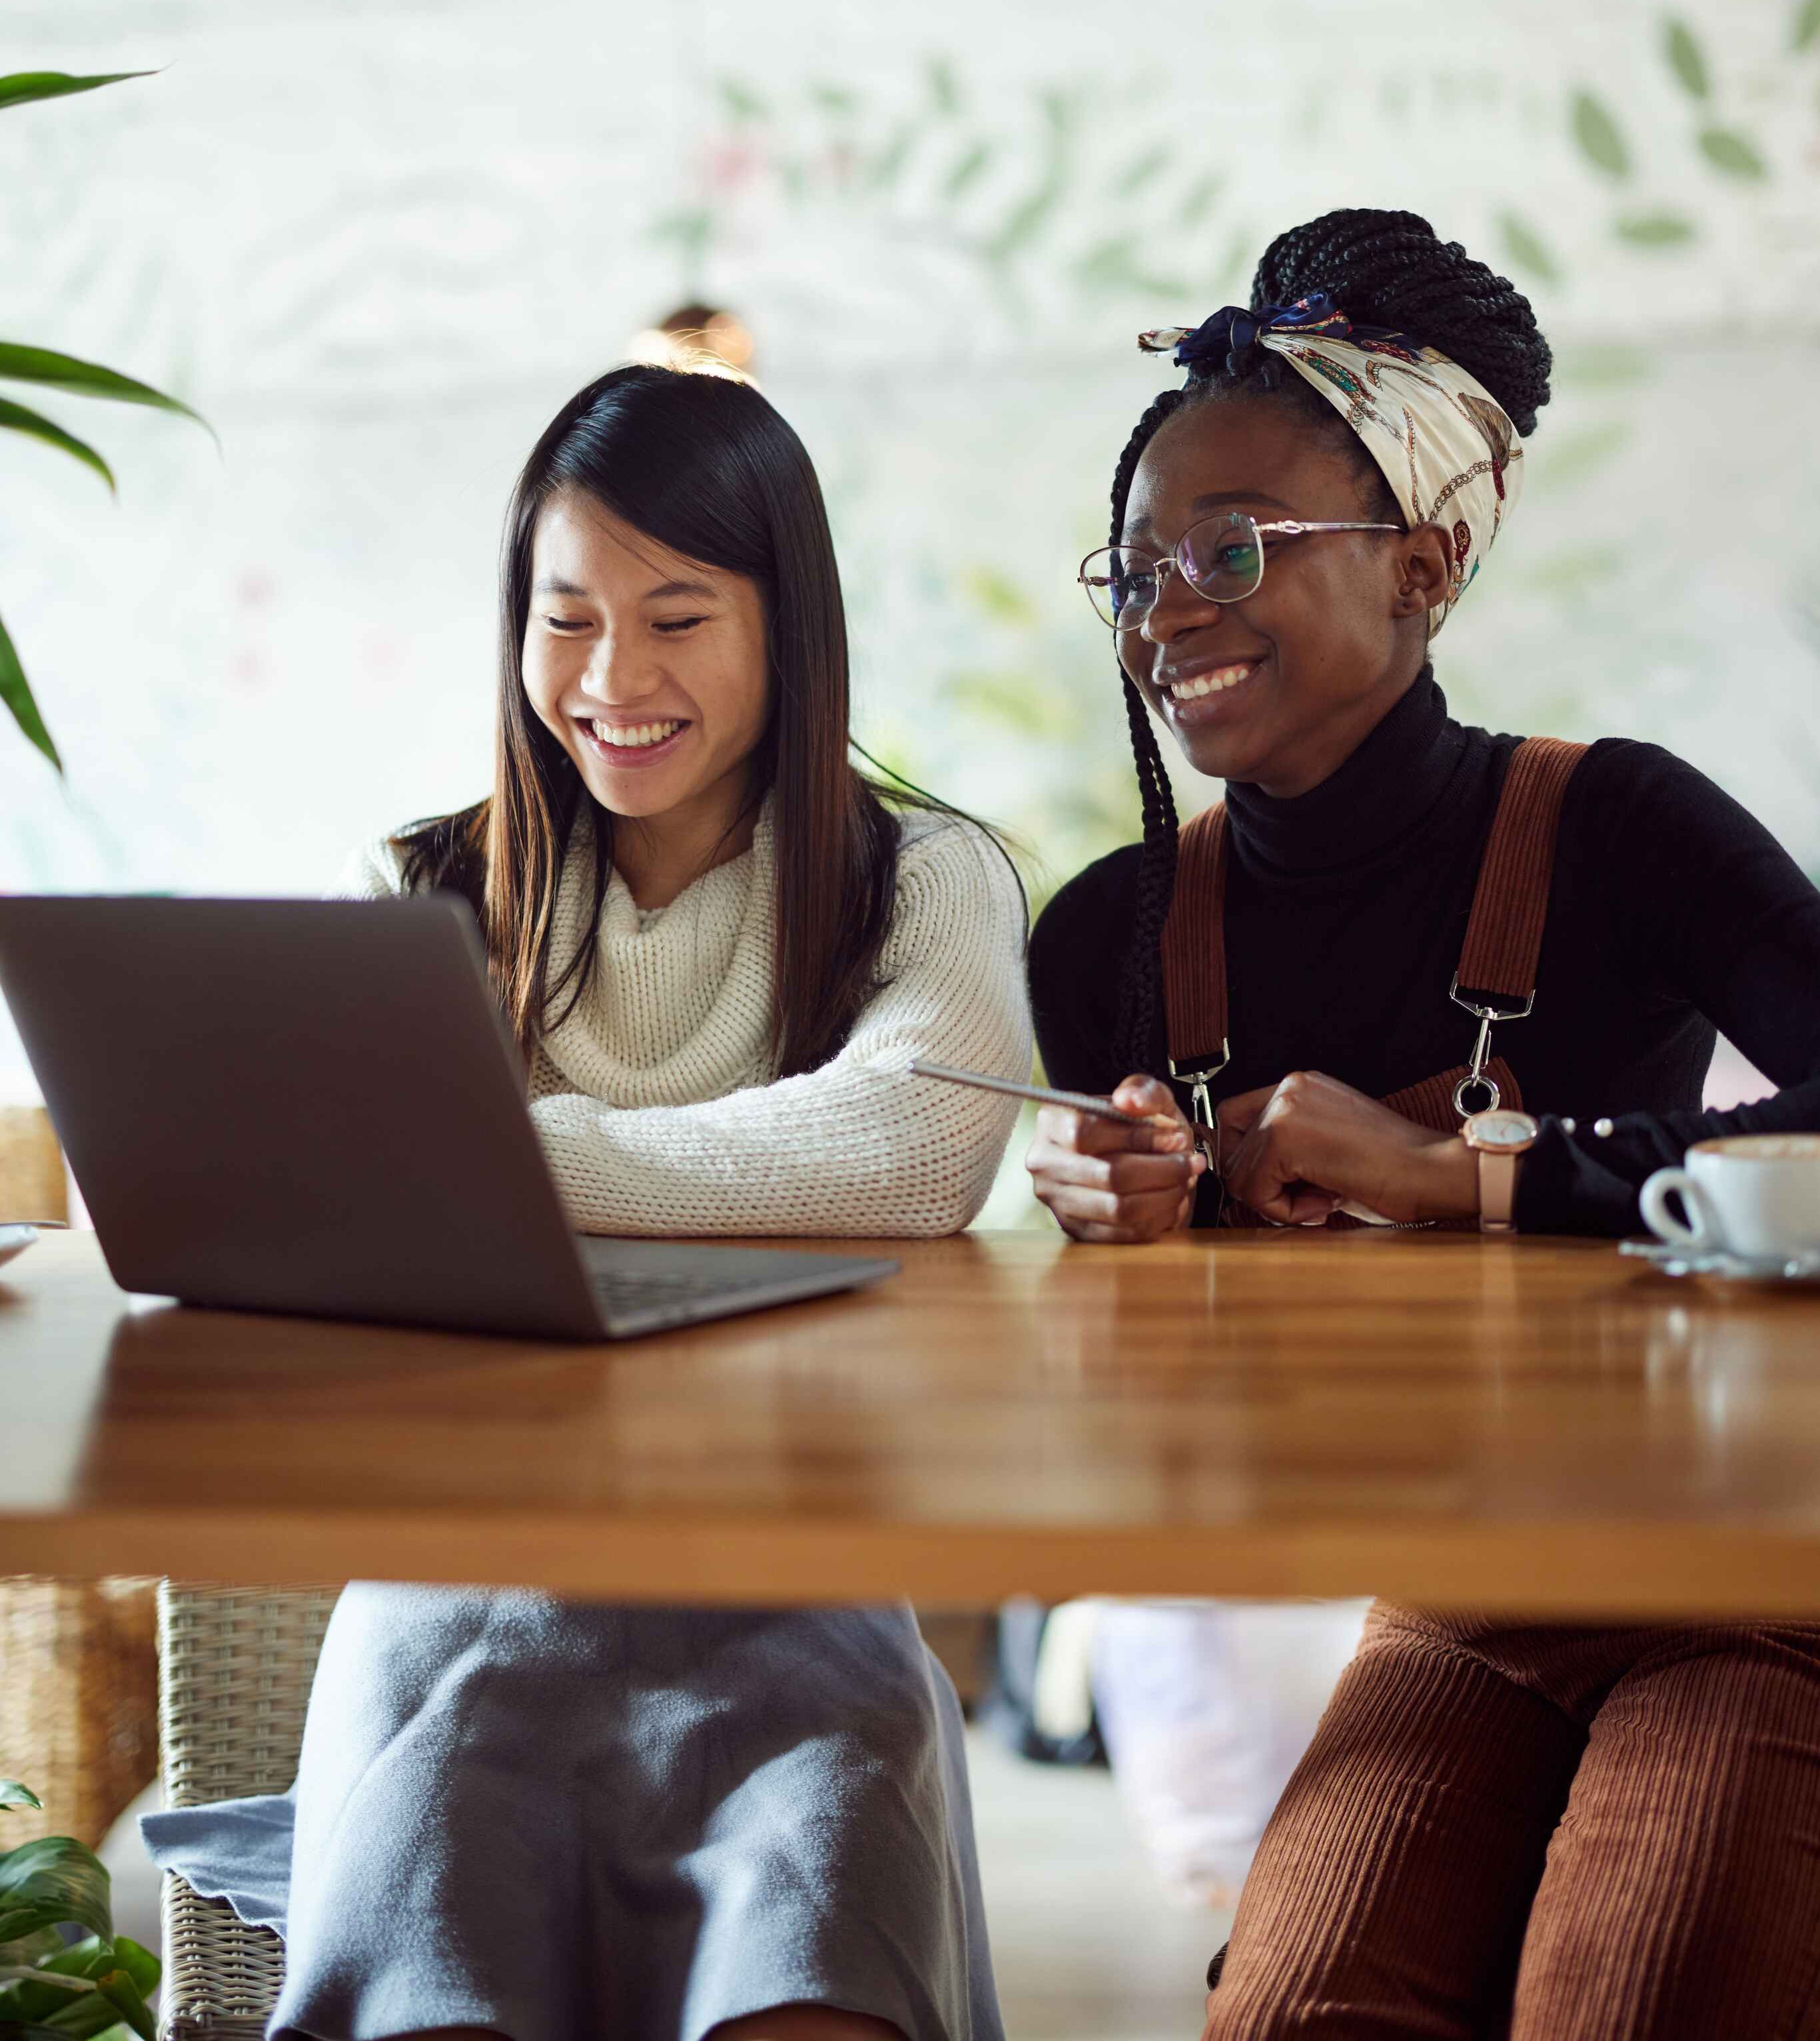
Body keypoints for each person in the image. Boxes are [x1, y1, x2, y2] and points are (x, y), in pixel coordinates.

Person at [147, 363, 1029, 2041]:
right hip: (464, 1595)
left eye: (680, 615)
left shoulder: (921, 880)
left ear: (789, 624)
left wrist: (488, 1161)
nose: (615, 678)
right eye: (567, 619)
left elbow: (915, 1152)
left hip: (800, 1593)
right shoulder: (430, 889)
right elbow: (335, 1224)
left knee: (815, 1980)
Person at [1025, 209, 1820, 2041]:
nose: (1169, 613)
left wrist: (1465, 1170)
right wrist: (1122, 1221)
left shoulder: (1618, 827)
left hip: (1747, 1589)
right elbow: (1149, 1385)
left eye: (1228, 549)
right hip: (1459, 1610)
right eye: (1135, 571)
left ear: (1427, 564)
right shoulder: (1109, 940)